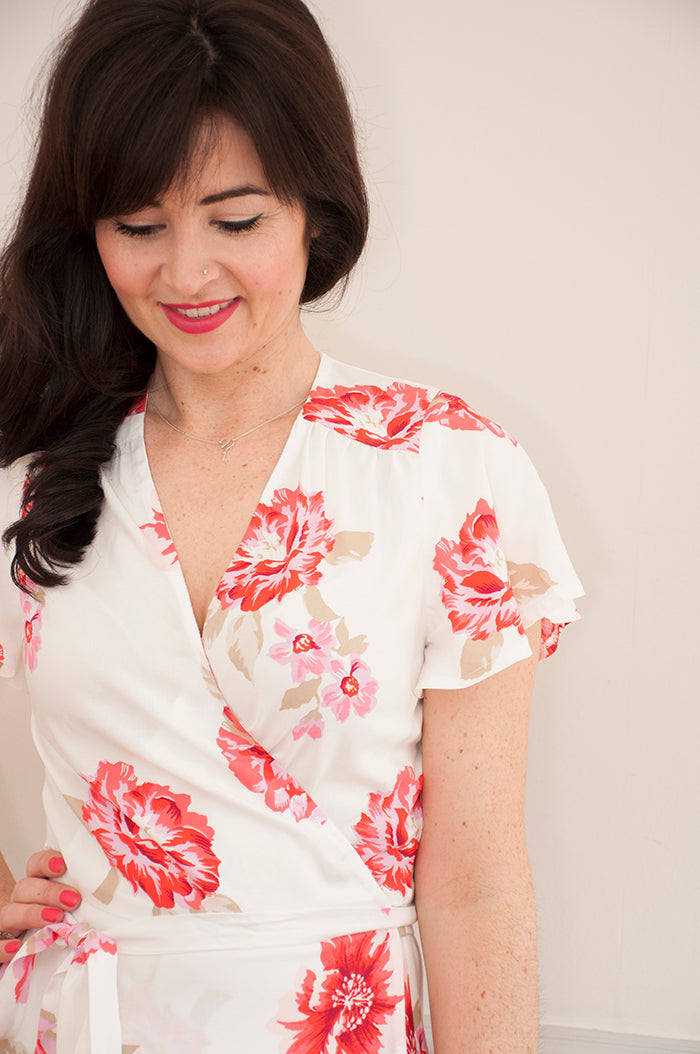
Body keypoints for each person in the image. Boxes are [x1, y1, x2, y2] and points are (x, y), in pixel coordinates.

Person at [0, 0, 583, 1050]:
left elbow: (477, 880)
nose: (185, 274)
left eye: (234, 222)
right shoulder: (32, 480)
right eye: (138, 226)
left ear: (315, 208)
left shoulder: (446, 466)